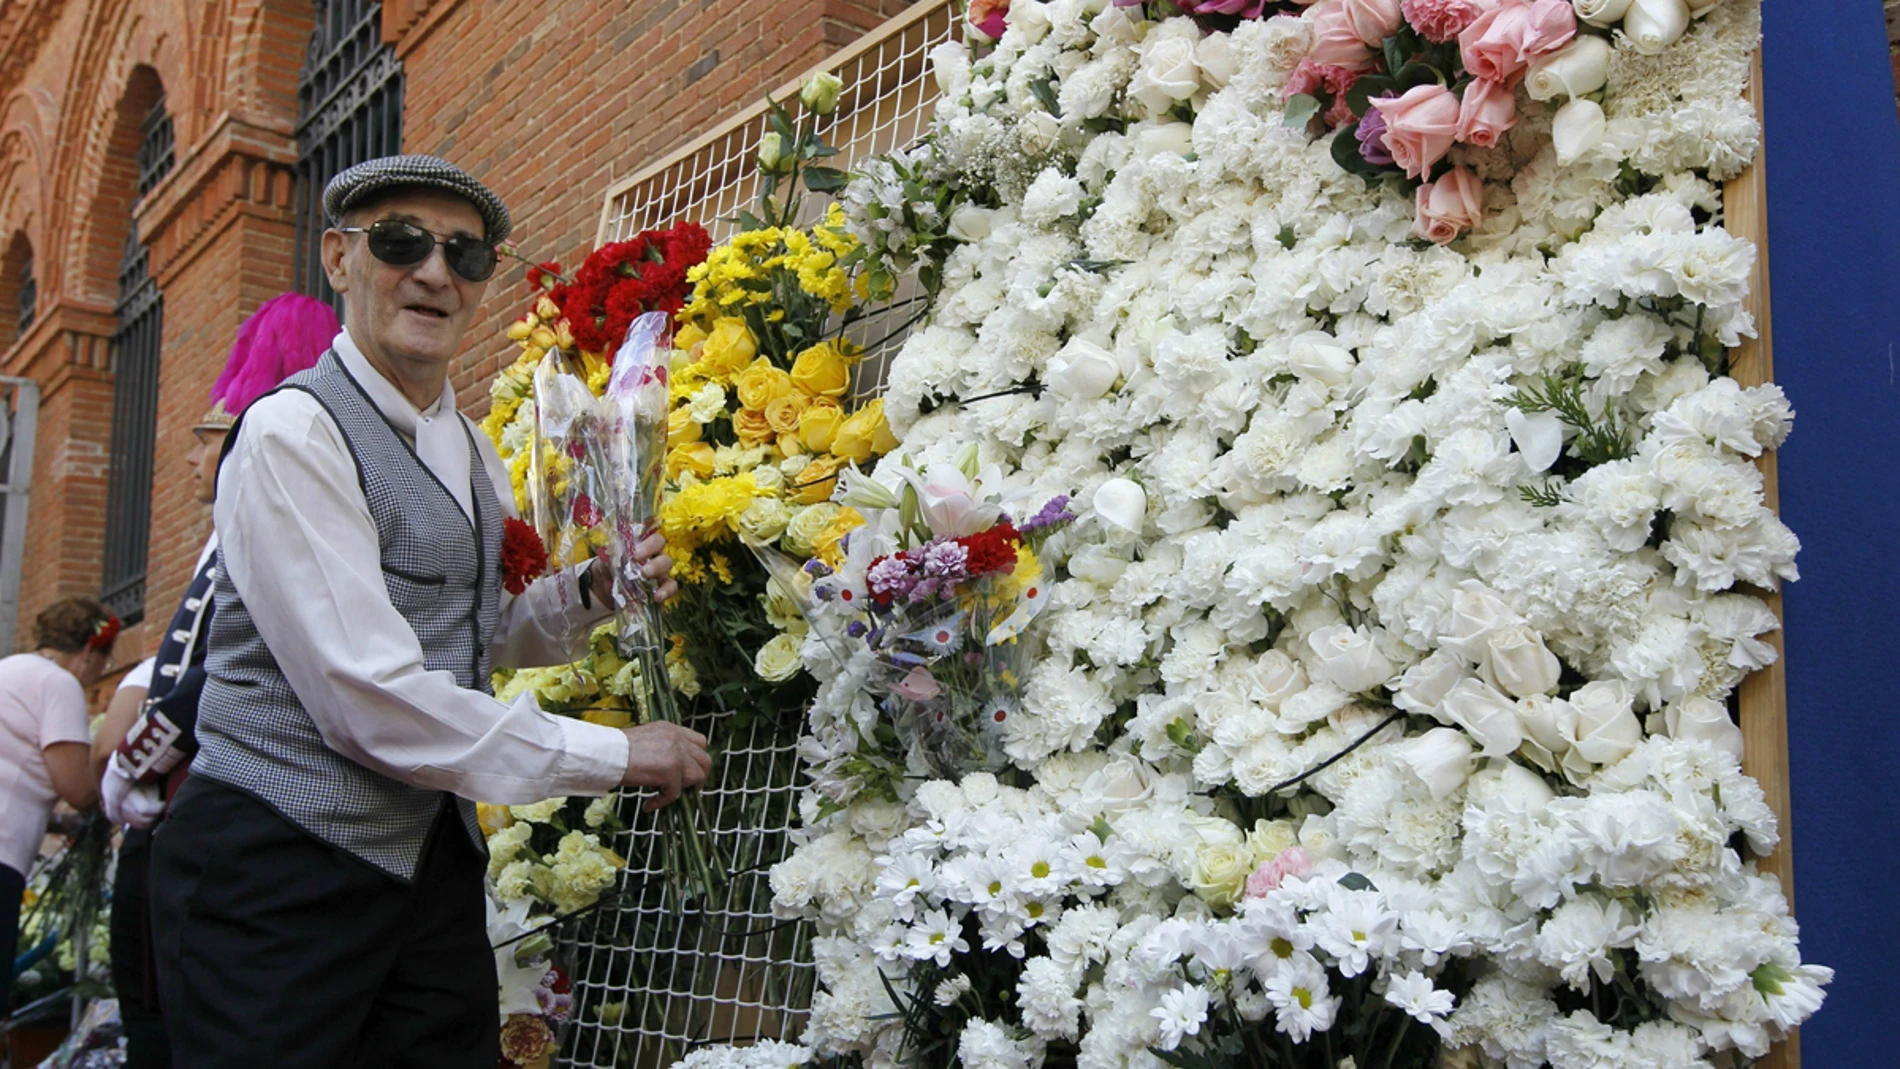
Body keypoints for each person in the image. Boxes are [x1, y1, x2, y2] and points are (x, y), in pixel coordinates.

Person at [148, 154, 712, 1068]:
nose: (435, 272)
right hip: (276, 869)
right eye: (401, 242)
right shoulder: (293, 432)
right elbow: (367, 694)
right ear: (338, 259)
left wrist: (591, 593)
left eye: (466, 254)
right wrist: (615, 753)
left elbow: (470, 634)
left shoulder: (469, 444)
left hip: (425, 871)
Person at [90, 292, 337, 1069]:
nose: (195, 456)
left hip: (208, 796)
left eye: (208, 434)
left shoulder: (267, 503)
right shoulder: (230, 519)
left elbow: (224, 662)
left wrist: (135, 759)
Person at [0, 597, 115, 1011]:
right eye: (103, 661)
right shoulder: (57, 683)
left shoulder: (7, 669)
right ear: (89, 650)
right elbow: (76, 787)